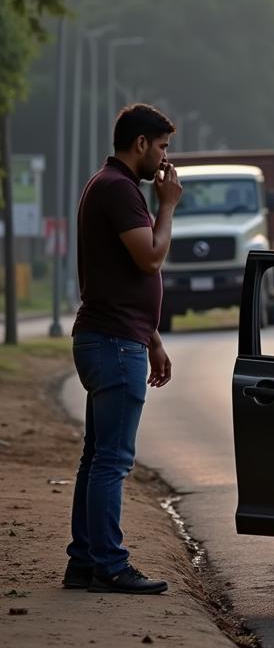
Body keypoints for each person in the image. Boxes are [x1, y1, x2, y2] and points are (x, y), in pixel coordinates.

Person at [63, 104, 182, 594]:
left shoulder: (107, 185)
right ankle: (109, 565)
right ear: (139, 144)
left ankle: (84, 563)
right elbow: (150, 259)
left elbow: (116, 277)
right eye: (162, 147)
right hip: (113, 344)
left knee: (97, 458)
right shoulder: (120, 190)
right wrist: (168, 205)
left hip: (115, 336)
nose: (164, 159)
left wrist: (151, 338)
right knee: (112, 461)